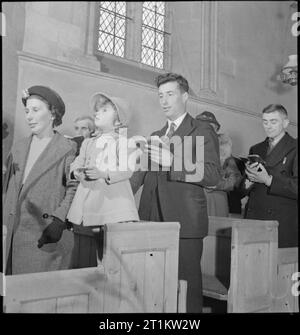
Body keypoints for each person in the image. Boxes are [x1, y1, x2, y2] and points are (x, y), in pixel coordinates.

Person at [130, 73, 221, 312]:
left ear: (185, 96)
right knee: (154, 288)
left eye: (170, 94)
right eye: (160, 95)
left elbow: (213, 175)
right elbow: (139, 176)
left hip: (185, 223)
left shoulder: (201, 130)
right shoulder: (155, 135)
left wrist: (173, 161)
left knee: (186, 291)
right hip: (151, 220)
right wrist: (115, 194)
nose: (164, 100)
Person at [3, 85, 78, 275]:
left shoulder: (67, 148)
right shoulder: (18, 148)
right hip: (10, 234)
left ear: (52, 113)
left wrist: (59, 220)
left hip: (43, 235)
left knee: (37, 296)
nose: (29, 116)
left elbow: (74, 187)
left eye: (36, 110)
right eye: (27, 111)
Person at [67, 92, 139, 268]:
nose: (97, 113)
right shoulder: (88, 143)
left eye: (104, 110)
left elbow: (126, 169)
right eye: (97, 110)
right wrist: (76, 171)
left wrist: (103, 173)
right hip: (87, 203)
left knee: (109, 255)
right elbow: (77, 162)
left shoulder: (124, 142)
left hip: (112, 203)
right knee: (85, 252)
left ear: (118, 121)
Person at [243, 104, 298, 248]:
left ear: (285, 123)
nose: (268, 126)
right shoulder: (256, 148)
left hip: (281, 222)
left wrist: (268, 180)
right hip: (255, 218)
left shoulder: (295, 147)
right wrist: (249, 180)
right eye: (265, 121)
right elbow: (242, 187)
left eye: (273, 122)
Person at [205, 133, 242, 217]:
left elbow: (234, 181)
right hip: (203, 198)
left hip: (217, 198)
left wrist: (217, 184)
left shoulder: (229, 161)